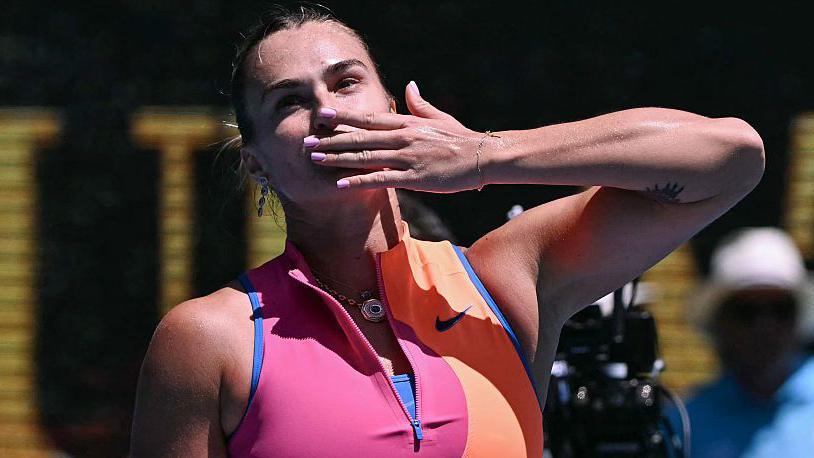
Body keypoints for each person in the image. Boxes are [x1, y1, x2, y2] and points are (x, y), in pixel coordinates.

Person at [130, 6, 765, 457]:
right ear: (256, 162)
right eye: (288, 102)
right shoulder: (207, 339)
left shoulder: (505, 280)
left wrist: (490, 155)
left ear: (394, 111)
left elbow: (732, 156)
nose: (328, 110)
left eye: (347, 82)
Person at [673, 228, 814, 458]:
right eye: (746, 312)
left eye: (781, 311)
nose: (765, 328)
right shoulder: (683, 424)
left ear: (799, 319)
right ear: (719, 322)